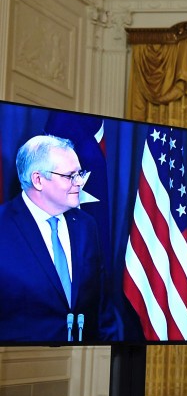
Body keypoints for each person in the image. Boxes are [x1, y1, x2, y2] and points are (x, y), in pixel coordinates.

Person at [0, 135, 119, 342]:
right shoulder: (4, 226)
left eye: (79, 173)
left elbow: (102, 307)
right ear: (38, 180)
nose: (80, 182)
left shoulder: (86, 225)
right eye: (69, 176)